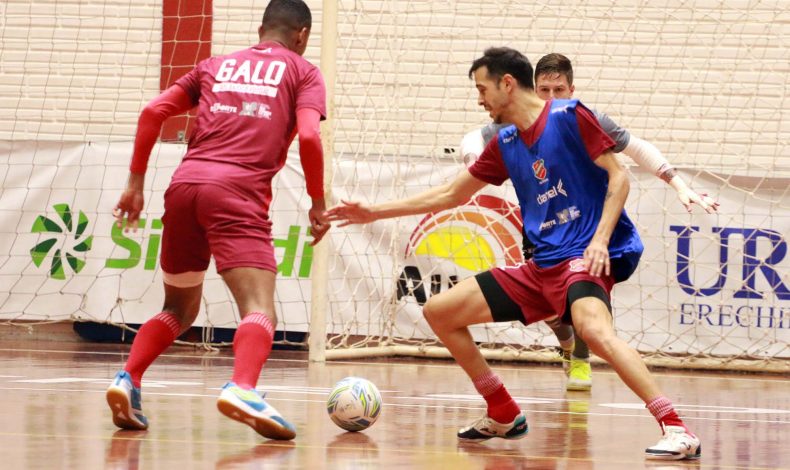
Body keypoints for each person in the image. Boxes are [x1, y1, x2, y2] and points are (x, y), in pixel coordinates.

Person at [328, 47, 701, 460]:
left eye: (482, 88)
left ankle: (676, 427)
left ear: (507, 83)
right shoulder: (506, 142)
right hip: (541, 266)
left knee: (593, 332)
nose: (479, 99)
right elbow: (451, 193)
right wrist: (371, 212)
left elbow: (620, 175)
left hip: (583, 255)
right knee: (440, 311)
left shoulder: (570, 116)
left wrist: (599, 239)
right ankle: (503, 411)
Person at [105, 0, 328, 441]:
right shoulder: (304, 72)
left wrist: (134, 184)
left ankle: (127, 379)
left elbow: (152, 113)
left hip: (184, 187)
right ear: (301, 36)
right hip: (237, 193)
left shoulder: (215, 65)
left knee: (178, 308)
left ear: (261, 28)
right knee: (259, 308)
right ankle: (243, 388)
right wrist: (318, 203)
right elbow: (308, 135)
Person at [460, 52, 719, 392]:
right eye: (544, 90)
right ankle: (567, 345)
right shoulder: (514, 121)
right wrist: (473, 165)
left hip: (588, 226)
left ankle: (582, 355)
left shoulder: (582, 118)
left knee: (581, 300)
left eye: (559, 89)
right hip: (546, 223)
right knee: (551, 309)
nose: (551, 97)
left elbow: (636, 148)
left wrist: (679, 184)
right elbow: (473, 139)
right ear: (532, 89)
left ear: (572, 89)